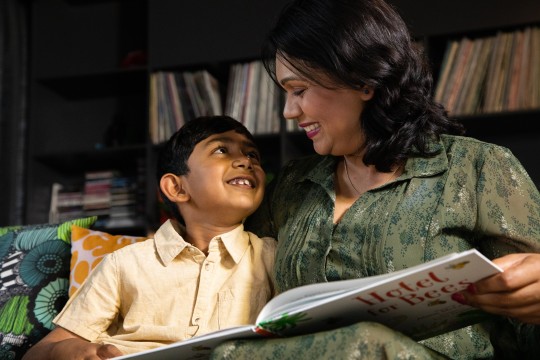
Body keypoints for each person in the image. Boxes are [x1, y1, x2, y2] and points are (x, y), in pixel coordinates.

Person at [218, 0, 540, 359]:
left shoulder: (476, 168)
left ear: (362, 81)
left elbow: (527, 331)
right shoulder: (292, 186)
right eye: (285, 93)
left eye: (299, 90)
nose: (289, 111)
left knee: (363, 344)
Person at [22, 116, 276, 360]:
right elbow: (40, 352)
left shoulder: (271, 256)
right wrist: (68, 351)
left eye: (252, 154)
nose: (245, 161)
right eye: (221, 150)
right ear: (176, 188)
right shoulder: (124, 263)